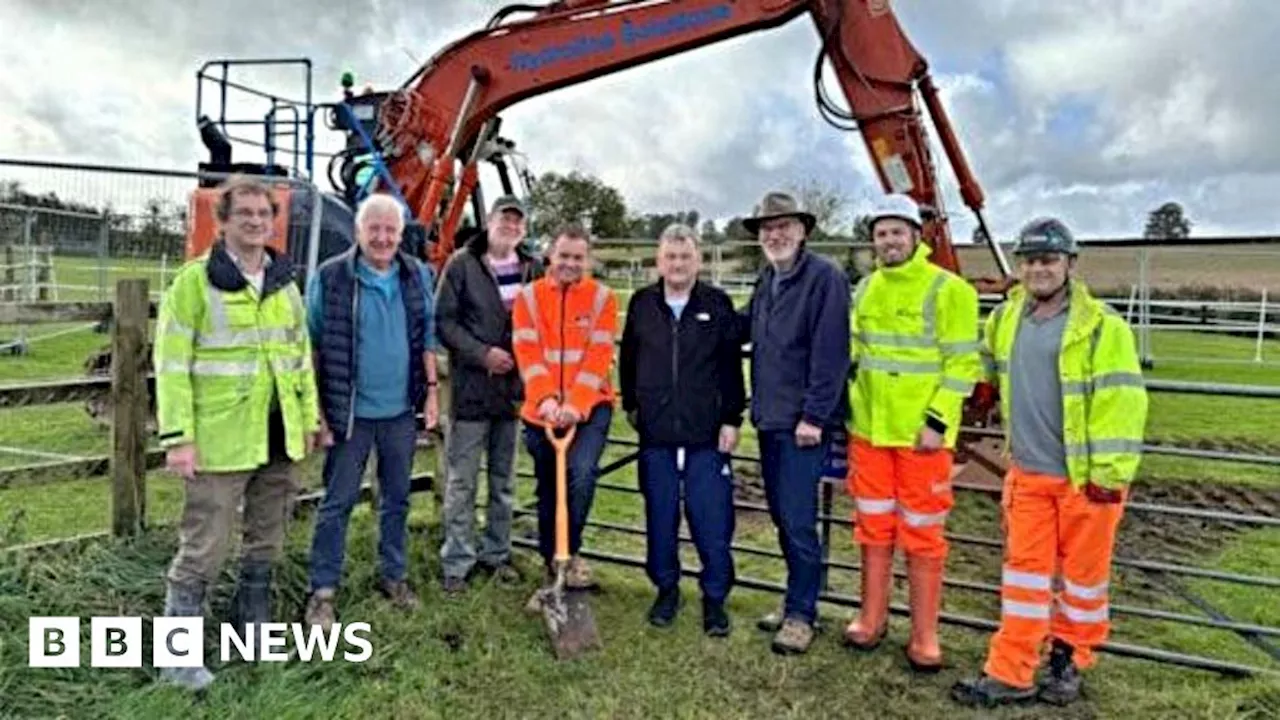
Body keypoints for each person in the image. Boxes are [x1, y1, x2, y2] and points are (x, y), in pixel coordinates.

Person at [951, 218, 1148, 708]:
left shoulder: (1103, 328)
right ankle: (1011, 671)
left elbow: (1122, 405)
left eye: (1049, 260)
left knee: (1082, 581)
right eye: (1031, 260)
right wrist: (977, 390)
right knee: (1023, 579)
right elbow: (988, 364)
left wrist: (1109, 476)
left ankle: (1068, 660)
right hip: (1029, 475)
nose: (1038, 269)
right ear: (1019, 268)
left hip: (1086, 480)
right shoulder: (1006, 318)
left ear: (1069, 265)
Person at [153, 175, 323, 690]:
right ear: (222, 221)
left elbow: (300, 359)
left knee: (266, 538)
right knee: (205, 543)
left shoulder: (284, 284)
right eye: (243, 213)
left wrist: (310, 418)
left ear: (274, 222)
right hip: (220, 440)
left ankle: (250, 629)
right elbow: (172, 363)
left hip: (278, 435)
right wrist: (179, 436)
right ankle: (177, 660)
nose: (255, 221)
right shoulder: (194, 283)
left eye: (263, 214)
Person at [841, 193, 982, 672]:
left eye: (897, 232)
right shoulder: (864, 290)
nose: (889, 241)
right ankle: (871, 618)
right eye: (881, 234)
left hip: (922, 438)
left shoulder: (949, 290)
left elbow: (964, 363)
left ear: (916, 237)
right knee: (872, 527)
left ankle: (925, 636)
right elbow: (856, 354)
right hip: (870, 433)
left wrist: (938, 420)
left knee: (923, 534)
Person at [302, 193, 441, 630]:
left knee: (396, 499)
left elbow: (428, 336)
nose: (382, 238)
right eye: (374, 229)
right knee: (338, 502)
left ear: (401, 235)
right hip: (350, 414)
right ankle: (322, 591)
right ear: (358, 232)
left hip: (399, 412)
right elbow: (314, 346)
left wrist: (432, 392)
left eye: (390, 230)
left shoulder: (417, 275)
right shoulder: (332, 277)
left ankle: (393, 576)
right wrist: (319, 413)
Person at [619, 222, 746, 636]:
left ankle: (714, 598)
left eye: (685, 256)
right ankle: (666, 589)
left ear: (698, 260)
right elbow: (629, 361)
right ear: (659, 260)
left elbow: (731, 366)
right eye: (670, 257)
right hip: (656, 435)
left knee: (711, 518)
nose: (677, 264)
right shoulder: (641, 304)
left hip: (706, 436)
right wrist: (634, 407)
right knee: (660, 515)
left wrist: (731, 418)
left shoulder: (717, 304)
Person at [740, 190, 851, 654]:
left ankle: (804, 613)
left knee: (800, 518)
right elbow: (743, 328)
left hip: (802, 424)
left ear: (803, 230)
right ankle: (793, 601)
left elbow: (831, 353)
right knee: (783, 516)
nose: (775, 234)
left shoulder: (824, 278)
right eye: (768, 229)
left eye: (784, 226)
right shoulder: (769, 279)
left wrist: (814, 416)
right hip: (770, 416)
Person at [434, 195, 543, 593]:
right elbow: (444, 321)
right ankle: (457, 562)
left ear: (524, 229)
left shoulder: (534, 269)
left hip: (514, 393)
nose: (510, 227)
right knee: (462, 481)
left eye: (518, 222)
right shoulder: (462, 265)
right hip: (472, 390)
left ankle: (496, 554)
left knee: (504, 481)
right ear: (490, 222)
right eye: (504, 219)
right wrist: (481, 354)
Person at [512, 222, 617, 609]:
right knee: (547, 488)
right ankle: (549, 564)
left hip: (589, 408)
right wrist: (544, 401)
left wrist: (575, 404)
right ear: (550, 257)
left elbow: (598, 355)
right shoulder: (529, 298)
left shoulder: (602, 298)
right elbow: (528, 351)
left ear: (586, 259)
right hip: (542, 411)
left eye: (578, 257)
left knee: (581, 475)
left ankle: (568, 553)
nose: (570, 263)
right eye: (564, 256)